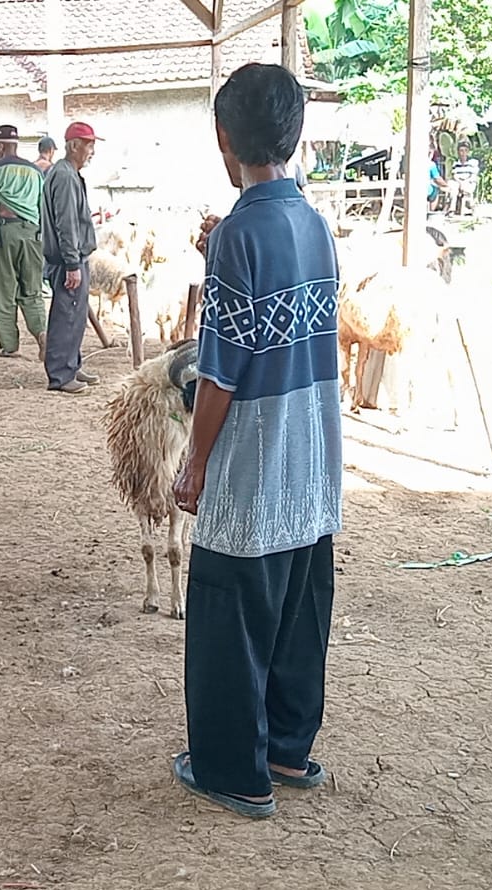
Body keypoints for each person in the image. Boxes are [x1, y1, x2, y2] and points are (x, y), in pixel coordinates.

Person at [169, 62, 342, 820]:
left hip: (256, 449)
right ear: (295, 135)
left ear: (223, 138)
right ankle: (287, 749)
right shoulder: (315, 223)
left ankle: (233, 771)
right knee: (299, 604)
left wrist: (195, 460)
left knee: (229, 612)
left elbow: (221, 369)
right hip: (313, 445)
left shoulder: (238, 233)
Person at [40, 121, 105, 393]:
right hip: (68, 259)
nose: (92, 151)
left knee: (75, 314)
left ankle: (71, 365)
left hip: (73, 257)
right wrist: (72, 264)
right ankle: (60, 375)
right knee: (66, 315)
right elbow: (66, 224)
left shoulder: (68, 173)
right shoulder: (65, 176)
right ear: (74, 146)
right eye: (89, 145)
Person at [0, 123, 48, 360]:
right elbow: (43, 207)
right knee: (33, 291)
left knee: (5, 292)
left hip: (6, 232)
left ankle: (10, 346)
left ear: (0, 146)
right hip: (33, 234)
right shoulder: (35, 171)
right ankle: (42, 334)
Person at [450, 139, 480, 216]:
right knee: (453, 187)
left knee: (467, 187)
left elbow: (473, 175)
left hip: (469, 182)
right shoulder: (455, 163)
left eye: (465, 150)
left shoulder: (473, 162)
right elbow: (454, 175)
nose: (463, 153)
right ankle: (452, 209)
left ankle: (470, 207)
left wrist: (465, 182)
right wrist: (460, 183)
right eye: (461, 151)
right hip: (458, 182)